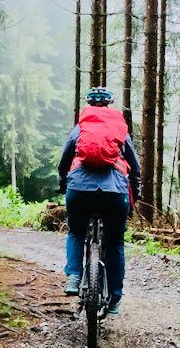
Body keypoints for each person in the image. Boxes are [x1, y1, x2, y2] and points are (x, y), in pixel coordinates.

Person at [58, 87, 141, 314]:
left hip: (79, 188)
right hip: (115, 191)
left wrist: (64, 183)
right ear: (109, 104)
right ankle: (114, 297)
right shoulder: (119, 129)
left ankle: (73, 277)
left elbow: (64, 160)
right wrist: (136, 192)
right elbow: (135, 166)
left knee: (76, 232)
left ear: (89, 105)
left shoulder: (81, 128)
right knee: (115, 243)